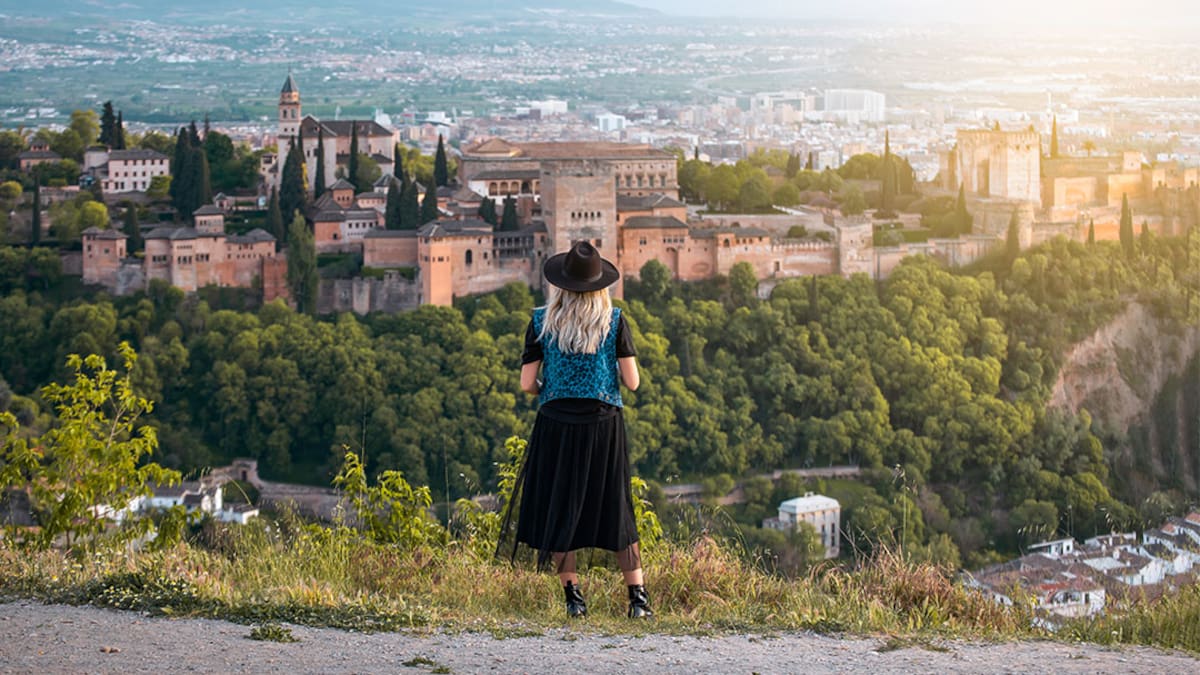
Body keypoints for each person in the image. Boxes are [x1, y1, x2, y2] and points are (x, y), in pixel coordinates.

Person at [499, 240, 652, 619]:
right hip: (603, 423)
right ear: (601, 286)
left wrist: (549, 387)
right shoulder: (614, 320)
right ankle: (638, 601)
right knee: (617, 509)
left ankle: (574, 599)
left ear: (561, 284)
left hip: (556, 423)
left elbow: (526, 383)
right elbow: (632, 383)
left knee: (560, 506)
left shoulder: (540, 321)